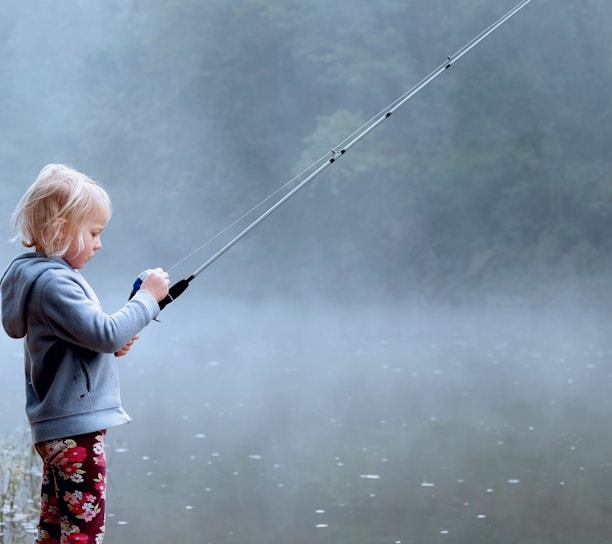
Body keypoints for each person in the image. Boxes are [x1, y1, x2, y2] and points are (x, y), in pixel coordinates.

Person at [0, 164, 170, 544]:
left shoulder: (39, 278)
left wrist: (109, 347)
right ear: (61, 229)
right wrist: (147, 299)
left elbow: (87, 338)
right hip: (75, 430)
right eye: (93, 232)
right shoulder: (54, 283)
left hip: (58, 428)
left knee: (54, 526)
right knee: (84, 533)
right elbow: (105, 332)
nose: (99, 243)